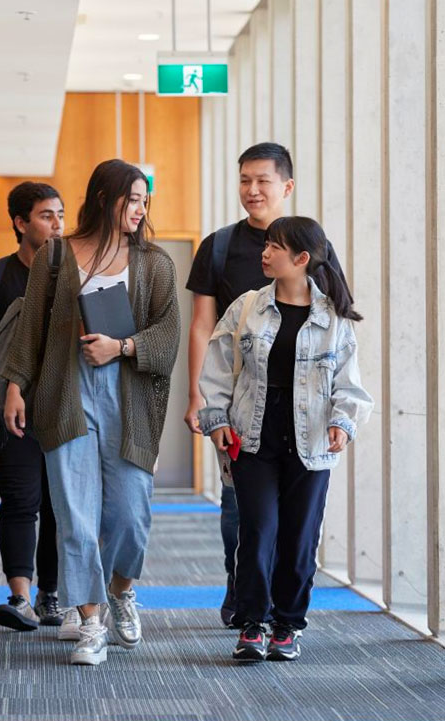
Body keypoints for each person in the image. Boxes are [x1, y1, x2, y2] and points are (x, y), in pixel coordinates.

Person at [2, 159, 180, 666]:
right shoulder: (55, 256)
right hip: (65, 394)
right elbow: (32, 326)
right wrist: (16, 386)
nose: (140, 209)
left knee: (129, 516)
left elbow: (166, 337)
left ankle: (121, 590)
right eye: (133, 199)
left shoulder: (155, 263)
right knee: (76, 518)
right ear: (104, 198)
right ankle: (91, 625)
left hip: (129, 397)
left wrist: (121, 347)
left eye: (146, 200)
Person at [184, 142, 347, 627]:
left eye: (262, 181)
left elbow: (336, 322)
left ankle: (276, 611)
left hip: (301, 408)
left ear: (286, 187)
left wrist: (341, 411)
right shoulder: (217, 246)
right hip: (240, 402)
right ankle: (245, 594)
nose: (252, 190)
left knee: (292, 522)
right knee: (242, 510)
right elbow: (202, 326)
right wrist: (199, 394)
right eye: (244, 180)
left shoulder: (313, 244)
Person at [199, 216, 373, 662]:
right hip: (253, 436)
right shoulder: (246, 307)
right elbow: (218, 366)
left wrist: (343, 423)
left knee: (299, 537)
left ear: (301, 259)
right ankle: (252, 622)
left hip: (312, 439)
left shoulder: (333, 317)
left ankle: (288, 624)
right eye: (266, 245)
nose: (265, 253)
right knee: (258, 530)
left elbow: (349, 384)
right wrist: (216, 418)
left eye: (276, 247)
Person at [0, 182, 65, 633]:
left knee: (55, 504)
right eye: (47, 216)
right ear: (20, 222)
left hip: (61, 407)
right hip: (8, 410)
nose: (57, 224)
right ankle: (20, 597)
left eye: (60, 215)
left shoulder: (71, 275)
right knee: (19, 500)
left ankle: (49, 593)